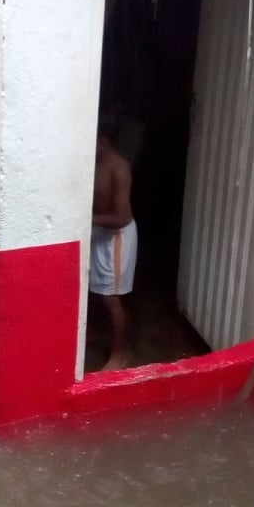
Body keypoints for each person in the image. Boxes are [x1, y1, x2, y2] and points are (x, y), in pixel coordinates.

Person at [89, 132, 137, 370]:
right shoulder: (93, 161)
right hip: (98, 230)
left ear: (105, 141)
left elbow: (120, 218)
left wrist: (87, 219)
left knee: (111, 297)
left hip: (116, 238)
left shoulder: (119, 168)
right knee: (95, 289)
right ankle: (98, 333)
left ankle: (120, 354)